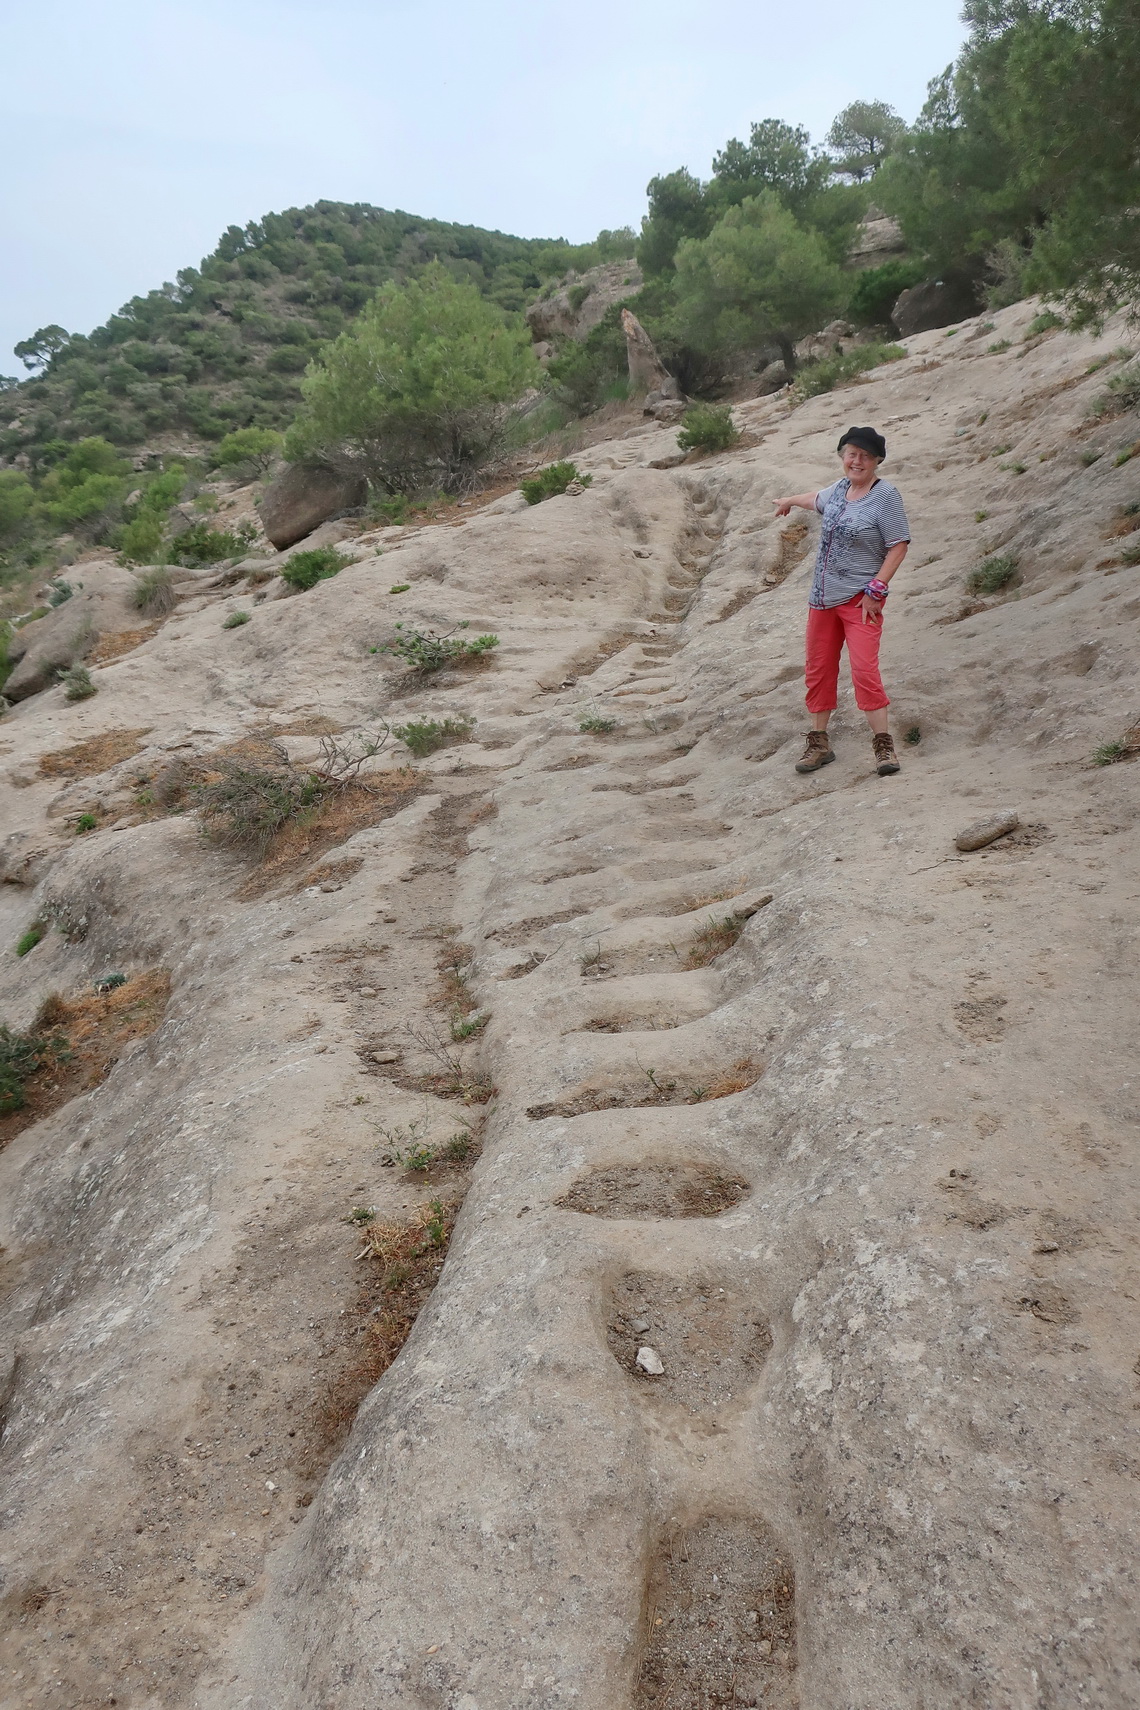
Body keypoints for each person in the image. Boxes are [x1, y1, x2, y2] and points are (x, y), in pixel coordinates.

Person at [773, 425, 910, 776]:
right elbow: (815, 499)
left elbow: (898, 545)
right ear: (842, 456)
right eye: (851, 453)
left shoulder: (886, 496)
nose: (857, 461)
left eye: (865, 455)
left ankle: (883, 746)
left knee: (865, 670)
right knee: (818, 670)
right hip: (821, 599)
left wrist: (876, 589)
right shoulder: (838, 490)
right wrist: (789, 500)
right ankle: (819, 742)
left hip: (859, 600)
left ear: (877, 460)